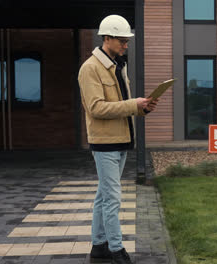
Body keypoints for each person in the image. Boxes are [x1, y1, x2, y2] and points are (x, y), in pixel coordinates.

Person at [77, 14, 159, 264]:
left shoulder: (118, 65)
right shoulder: (90, 68)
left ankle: (98, 247)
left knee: (104, 196)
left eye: (126, 41)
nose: (126, 45)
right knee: (112, 197)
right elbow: (96, 108)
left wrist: (141, 107)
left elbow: (121, 104)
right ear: (107, 38)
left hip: (122, 140)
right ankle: (116, 249)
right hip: (104, 144)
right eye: (122, 41)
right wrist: (132, 104)